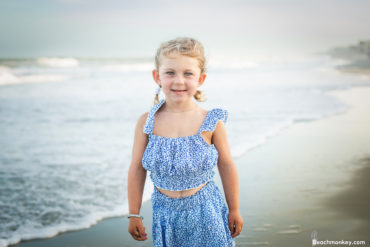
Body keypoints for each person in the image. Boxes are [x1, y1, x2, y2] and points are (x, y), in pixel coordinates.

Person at [127, 37, 243, 246]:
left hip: (207, 212)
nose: (179, 81)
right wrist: (133, 213)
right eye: (170, 72)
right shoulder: (147, 122)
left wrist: (234, 208)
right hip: (165, 215)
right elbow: (136, 168)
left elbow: (226, 165)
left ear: (201, 79)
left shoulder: (211, 122)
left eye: (188, 73)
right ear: (157, 76)